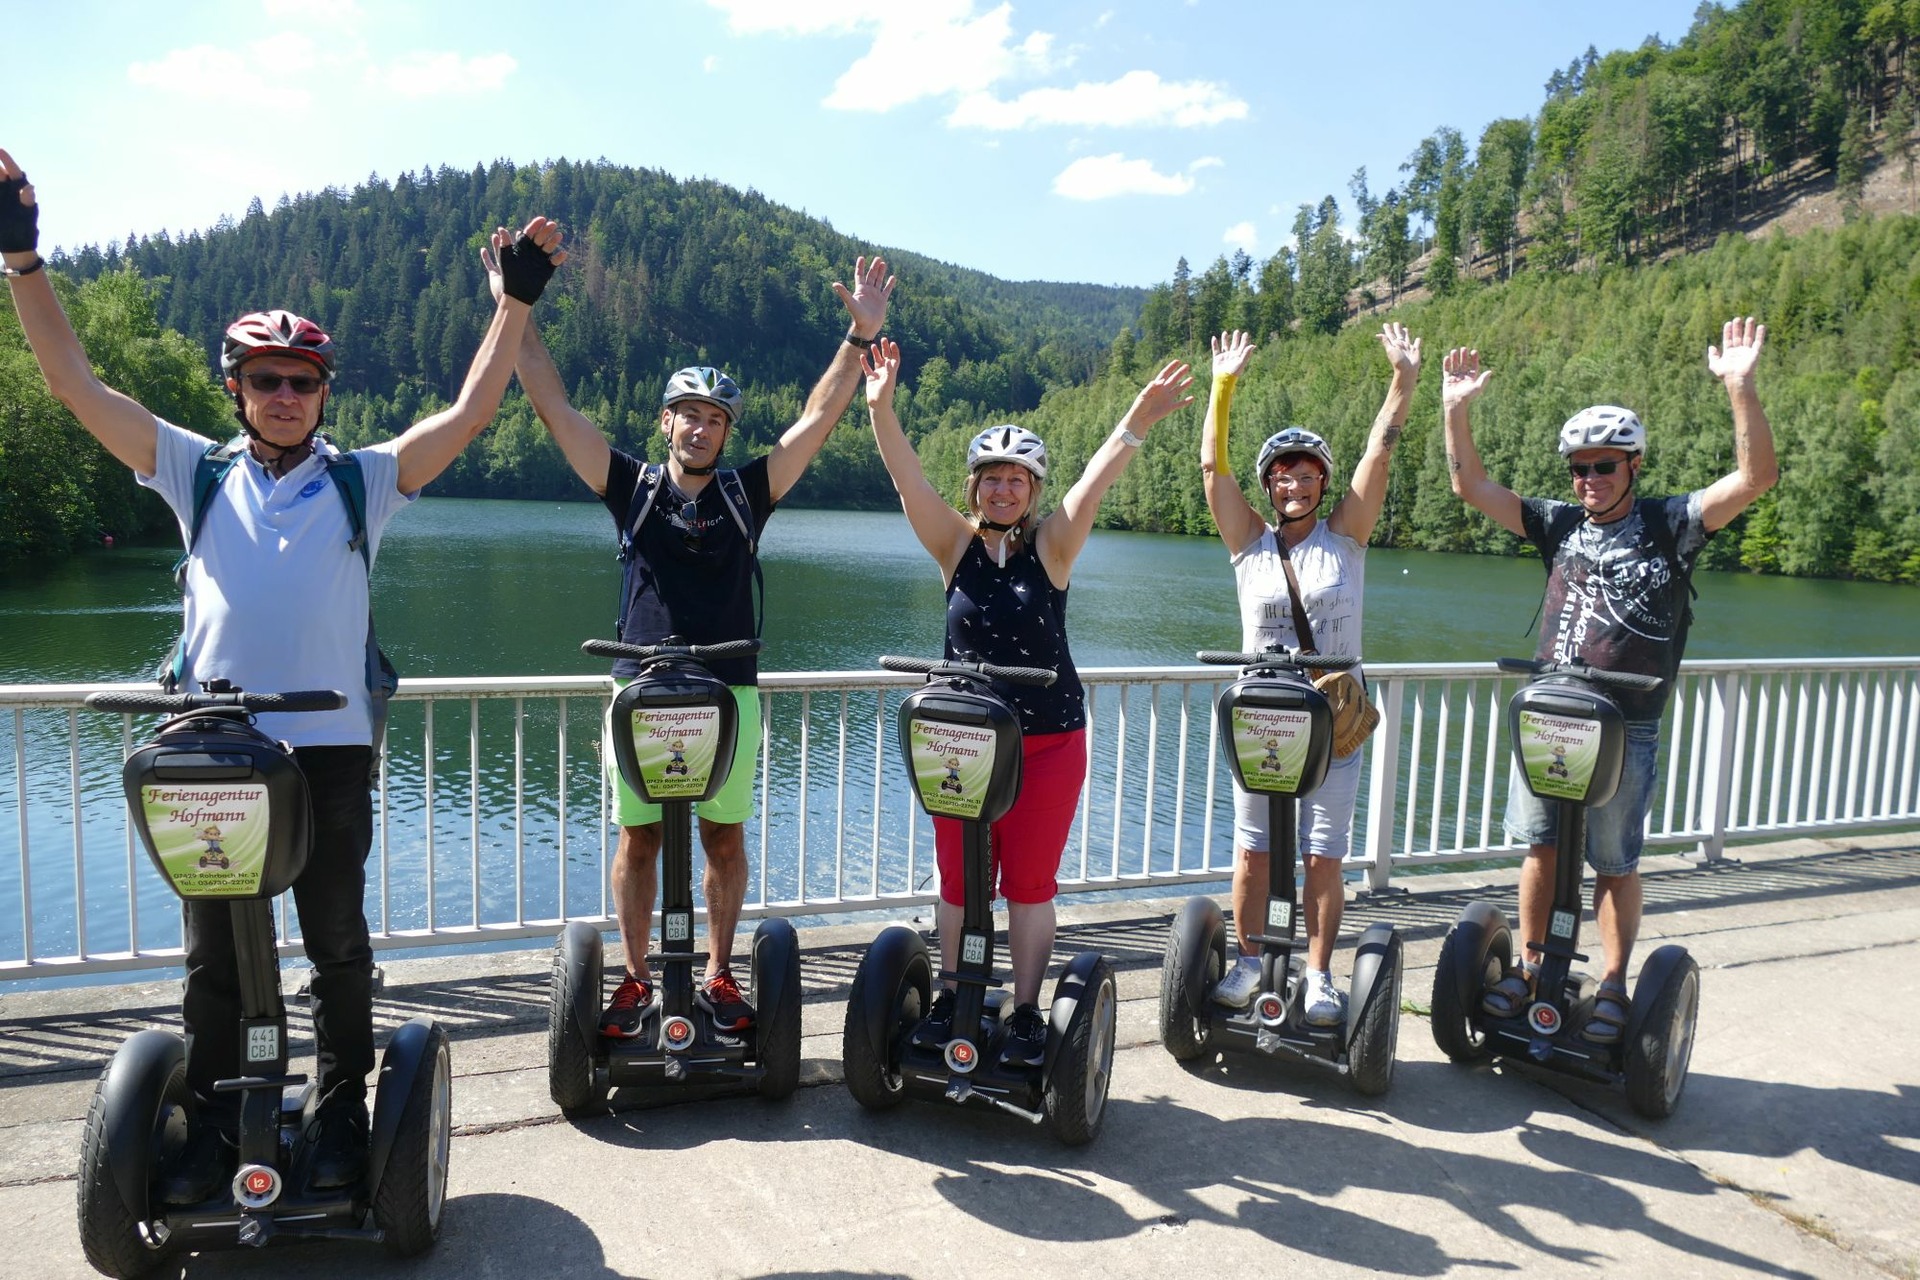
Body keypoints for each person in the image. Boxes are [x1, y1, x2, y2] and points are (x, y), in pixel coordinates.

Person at [0, 148, 564, 1198]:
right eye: (267, 378)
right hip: (211, 754)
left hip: (330, 752)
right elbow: (74, 386)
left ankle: (341, 1115)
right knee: (214, 958)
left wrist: (514, 304)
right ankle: (217, 1123)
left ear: (323, 392)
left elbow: (468, 415)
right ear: (238, 389)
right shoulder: (193, 470)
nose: (287, 394)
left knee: (336, 945)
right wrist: (22, 260)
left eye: (304, 380)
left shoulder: (362, 482)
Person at [487, 244, 894, 1038]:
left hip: (729, 691)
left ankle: (718, 971)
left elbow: (816, 420)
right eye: (689, 414)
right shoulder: (632, 488)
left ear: (725, 431)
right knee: (638, 840)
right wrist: (517, 304)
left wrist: (858, 337)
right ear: (665, 420)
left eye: (715, 419)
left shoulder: (747, 494)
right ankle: (637, 978)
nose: (701, 428)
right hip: (639, 691)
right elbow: (554, 406)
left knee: (723, 838)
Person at [1440, 318, 1778, 1041]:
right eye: (1579, 468)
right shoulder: (1559, 524)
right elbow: (1470, 485)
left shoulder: (1672, 523)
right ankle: (1533, 966)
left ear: (1634, 467)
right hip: (1551, 714)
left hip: (1627, 723)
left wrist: (1740, 387)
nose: (1589, 480)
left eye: (1604, 466)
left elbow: (1756, 479)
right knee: (1540, 847)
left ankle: (1616, 982)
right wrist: (1455, 408)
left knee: (1614, 862)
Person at [862, 336, 1194, 1066]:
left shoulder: (1053, 548)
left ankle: (1023, 1010)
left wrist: (1137, 419)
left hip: (1048, 742)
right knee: (959, 881)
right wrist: (882, 406)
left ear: (1034, 491)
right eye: (991, 478)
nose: (1003, 490)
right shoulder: (954, 547)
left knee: (1029, 884)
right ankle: (952, 994)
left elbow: (1096, 484)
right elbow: (907, 479)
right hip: (962, 742)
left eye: (1017, 479)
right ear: (974, 487)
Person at [1199, 325, 1421, 1025]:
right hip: (1263, 716)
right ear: (1268, 485)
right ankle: (1248, 961)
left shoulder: (1346, 538)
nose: (1292, 484)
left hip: (1331, 717)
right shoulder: (1248, 544)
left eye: (1305, 474)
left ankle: (1319, 974)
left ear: (1323, 482)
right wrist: (1222, 386)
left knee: (1323, 855)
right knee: (1254, 851)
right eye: (1281, 475)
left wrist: (1403, 380)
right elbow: (1211, 471)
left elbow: (1380, 452)